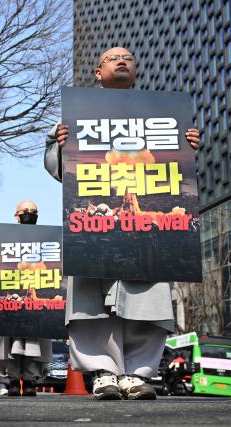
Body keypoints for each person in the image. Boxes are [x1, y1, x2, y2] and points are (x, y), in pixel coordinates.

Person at [44, 47, 200, 400]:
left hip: (146, 227)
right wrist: (60, 145)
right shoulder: (76, 117)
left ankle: (138, 374)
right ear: (98, 72)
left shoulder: (162, 116)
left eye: (128, 57)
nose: (122, 60)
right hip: (95, 221)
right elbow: (58, 172)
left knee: (147, 297)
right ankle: (102, 372)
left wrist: (188, 147)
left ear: (136, 71)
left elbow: (177, 175)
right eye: (113, 57)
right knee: (91, 300)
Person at [0, 200, 53, 397]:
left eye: (33, 211)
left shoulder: (48, 241)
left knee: (34, 339)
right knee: (11, 340)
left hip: (35, 296)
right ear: (16, 215)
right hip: (11, 296)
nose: (29, 214)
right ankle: (12, 379)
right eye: (25, 211)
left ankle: (31, 379)